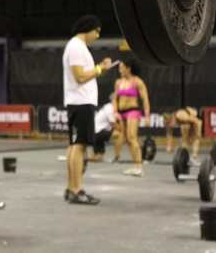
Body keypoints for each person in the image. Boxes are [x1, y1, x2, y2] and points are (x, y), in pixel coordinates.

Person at [62, 14, 112, 205]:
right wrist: (100, 68)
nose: (98, 35)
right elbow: (80, 77)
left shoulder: (76, 46)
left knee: (75, 145)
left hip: (79, 102)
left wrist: (100, 70)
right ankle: (76, 189)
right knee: (79, 146)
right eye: (97, 31)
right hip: (81, 103)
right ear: (88, 28)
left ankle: (70, 188)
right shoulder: (76, 46)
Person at [112, 57, 151, 176]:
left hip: (133, 111)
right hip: (122, 113)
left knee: (132, 137)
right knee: (127, 140)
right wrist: (115, 111)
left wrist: (147, 116)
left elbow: (145, 99)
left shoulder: (137, 81)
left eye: (122, 68)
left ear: (128, 69)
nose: (120, 71)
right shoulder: (118, 82)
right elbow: (115, 99)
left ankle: (139, 166)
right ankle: (135, 165)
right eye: (119, 69)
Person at [86, 95, 122, 162]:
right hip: (96, 133)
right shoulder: (110, 108)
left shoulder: (114, 109)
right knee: (119, 134)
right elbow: (115, 126)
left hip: (97, 132)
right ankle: (117, 157)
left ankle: (82, 157)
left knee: (98, 157)